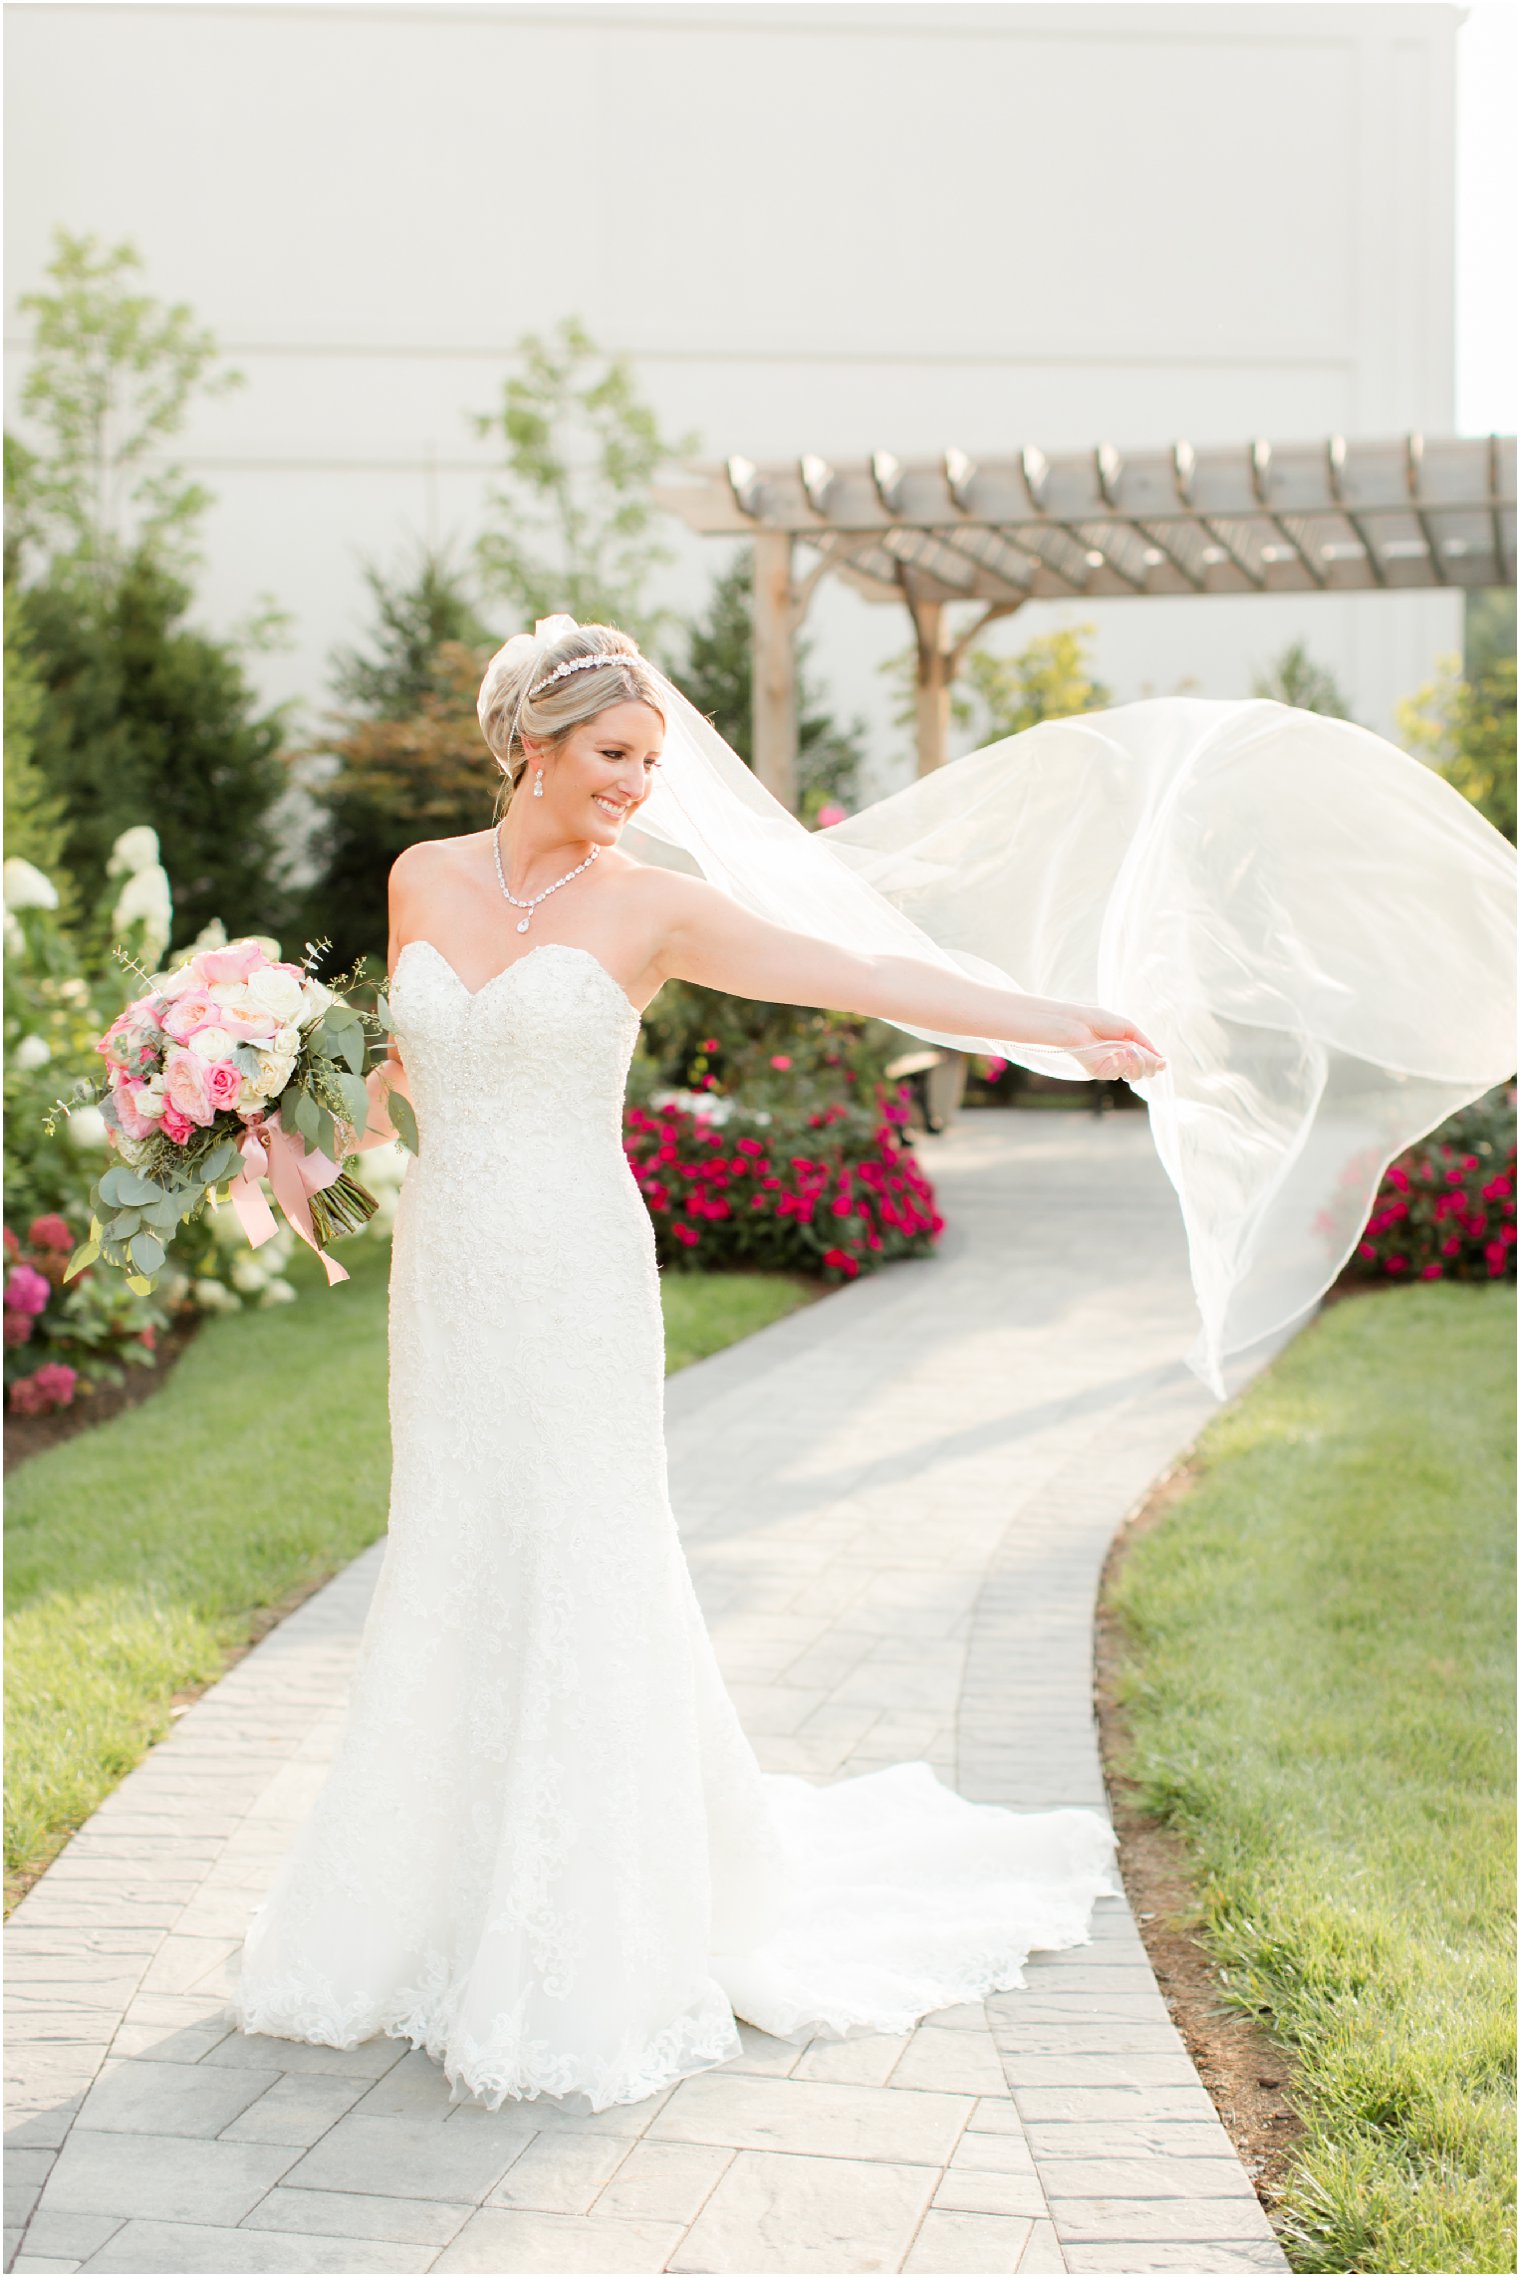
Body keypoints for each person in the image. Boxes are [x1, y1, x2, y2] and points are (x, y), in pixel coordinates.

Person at [221, 621, 1167, 2113]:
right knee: (461, 1546)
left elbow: (851, 972)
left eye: (653, 766)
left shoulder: (650, 909)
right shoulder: (421, 876)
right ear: (530, 742)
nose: (636, 788)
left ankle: (593, 1928)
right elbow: (403, 1062)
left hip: (581, 1278)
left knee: (585, 1556)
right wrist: (270, 1120)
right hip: (450, 1277)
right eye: (614, 758)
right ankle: (427, 1908)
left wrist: (1049, 1024)